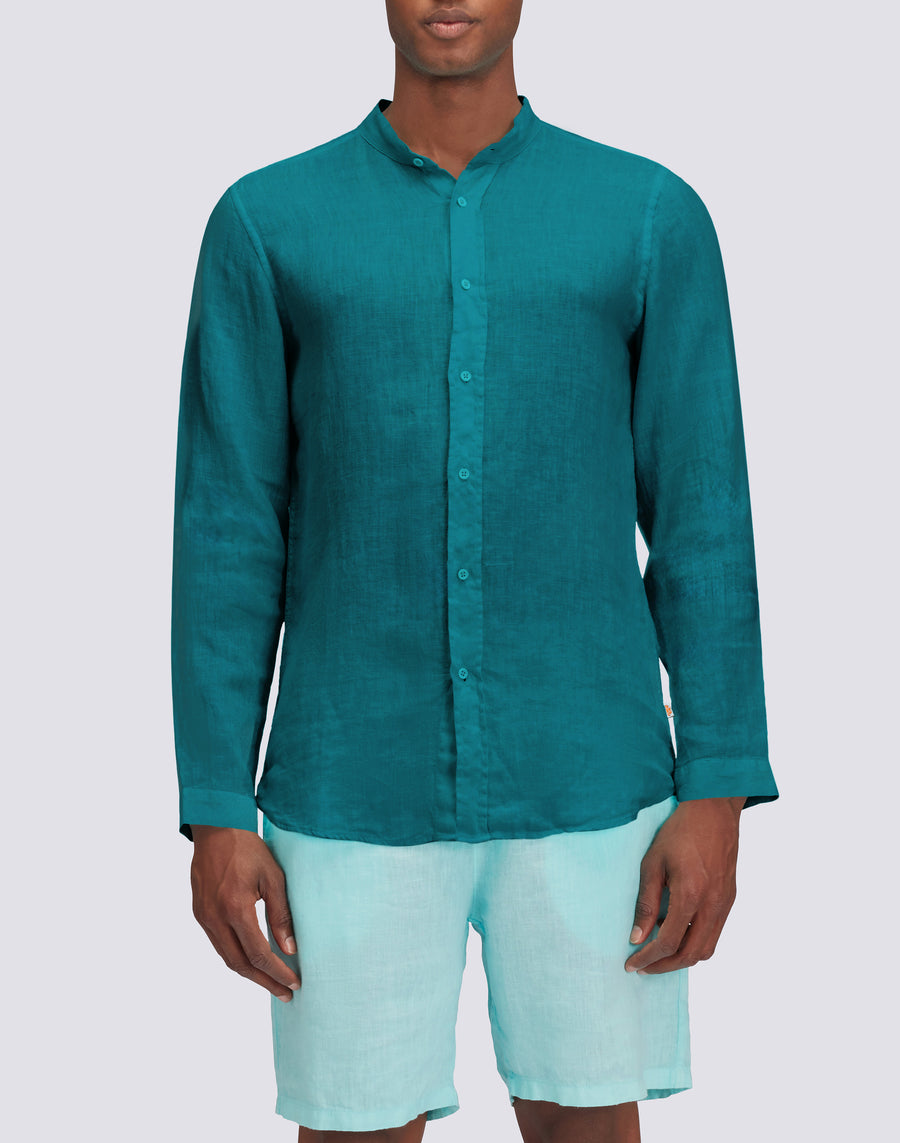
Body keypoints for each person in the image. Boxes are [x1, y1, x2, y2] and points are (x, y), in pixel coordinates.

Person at [171, 2, 780, 1141]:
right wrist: (216, 805)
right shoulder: (266, 221)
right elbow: (228, 528)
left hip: (594, 785)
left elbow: (703, 516)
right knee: (352, 1131)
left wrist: (717, 785)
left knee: (587, 1129)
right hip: (348, 784)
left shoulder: (649, 215)